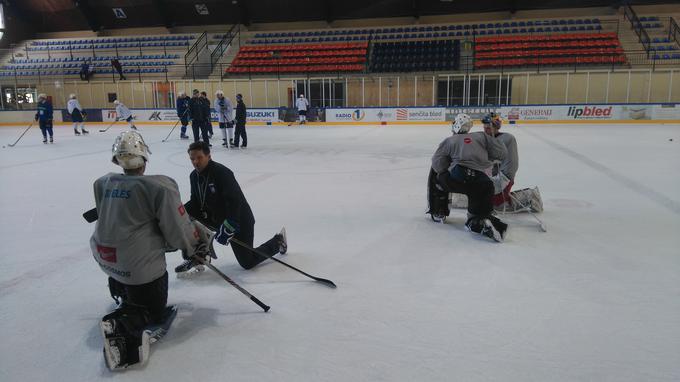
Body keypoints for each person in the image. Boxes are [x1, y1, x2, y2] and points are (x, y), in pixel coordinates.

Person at [91, 130, 212, 370]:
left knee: (132, 265)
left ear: (117, 161)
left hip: (107, 262)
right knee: (154, 310)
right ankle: (127, 330)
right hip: (137, 267)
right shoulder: (159, 187)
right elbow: (177, 231)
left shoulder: (103, 183)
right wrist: (193, 247)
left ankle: (126, 306)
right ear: (144, 159)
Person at [176, 141, 287, 274]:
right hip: (217, 220)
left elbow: (235, 202)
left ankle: (278, 241)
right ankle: (197, 255)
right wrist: (179, 212)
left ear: (208, 156)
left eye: (199, 157)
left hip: (238, 220)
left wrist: (230, 225)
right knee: (187, 218)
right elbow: (195, 202)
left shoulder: (222, 173)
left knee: (247, 262)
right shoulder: (194, 176)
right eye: (192, 159)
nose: (195, 162)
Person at [430, 113, 509, 242]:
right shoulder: (481, 136)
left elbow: (437, 163)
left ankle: (438, 209)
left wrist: (443, 173)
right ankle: (481, 218)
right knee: (480, 189)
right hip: (482, 179)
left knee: (437, 177)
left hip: (459, 177)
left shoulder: (449, 140)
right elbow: (501, 153)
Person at [482, 113, 518, 209]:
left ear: (496, 127)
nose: (485, 129)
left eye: (488, 127)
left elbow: (511, 165)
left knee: (493, 203)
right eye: (484, 127)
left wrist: (501, 182)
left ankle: (509, 200)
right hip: (487, 178)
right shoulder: (484, 139)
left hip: (502, 180)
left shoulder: (508, 139)